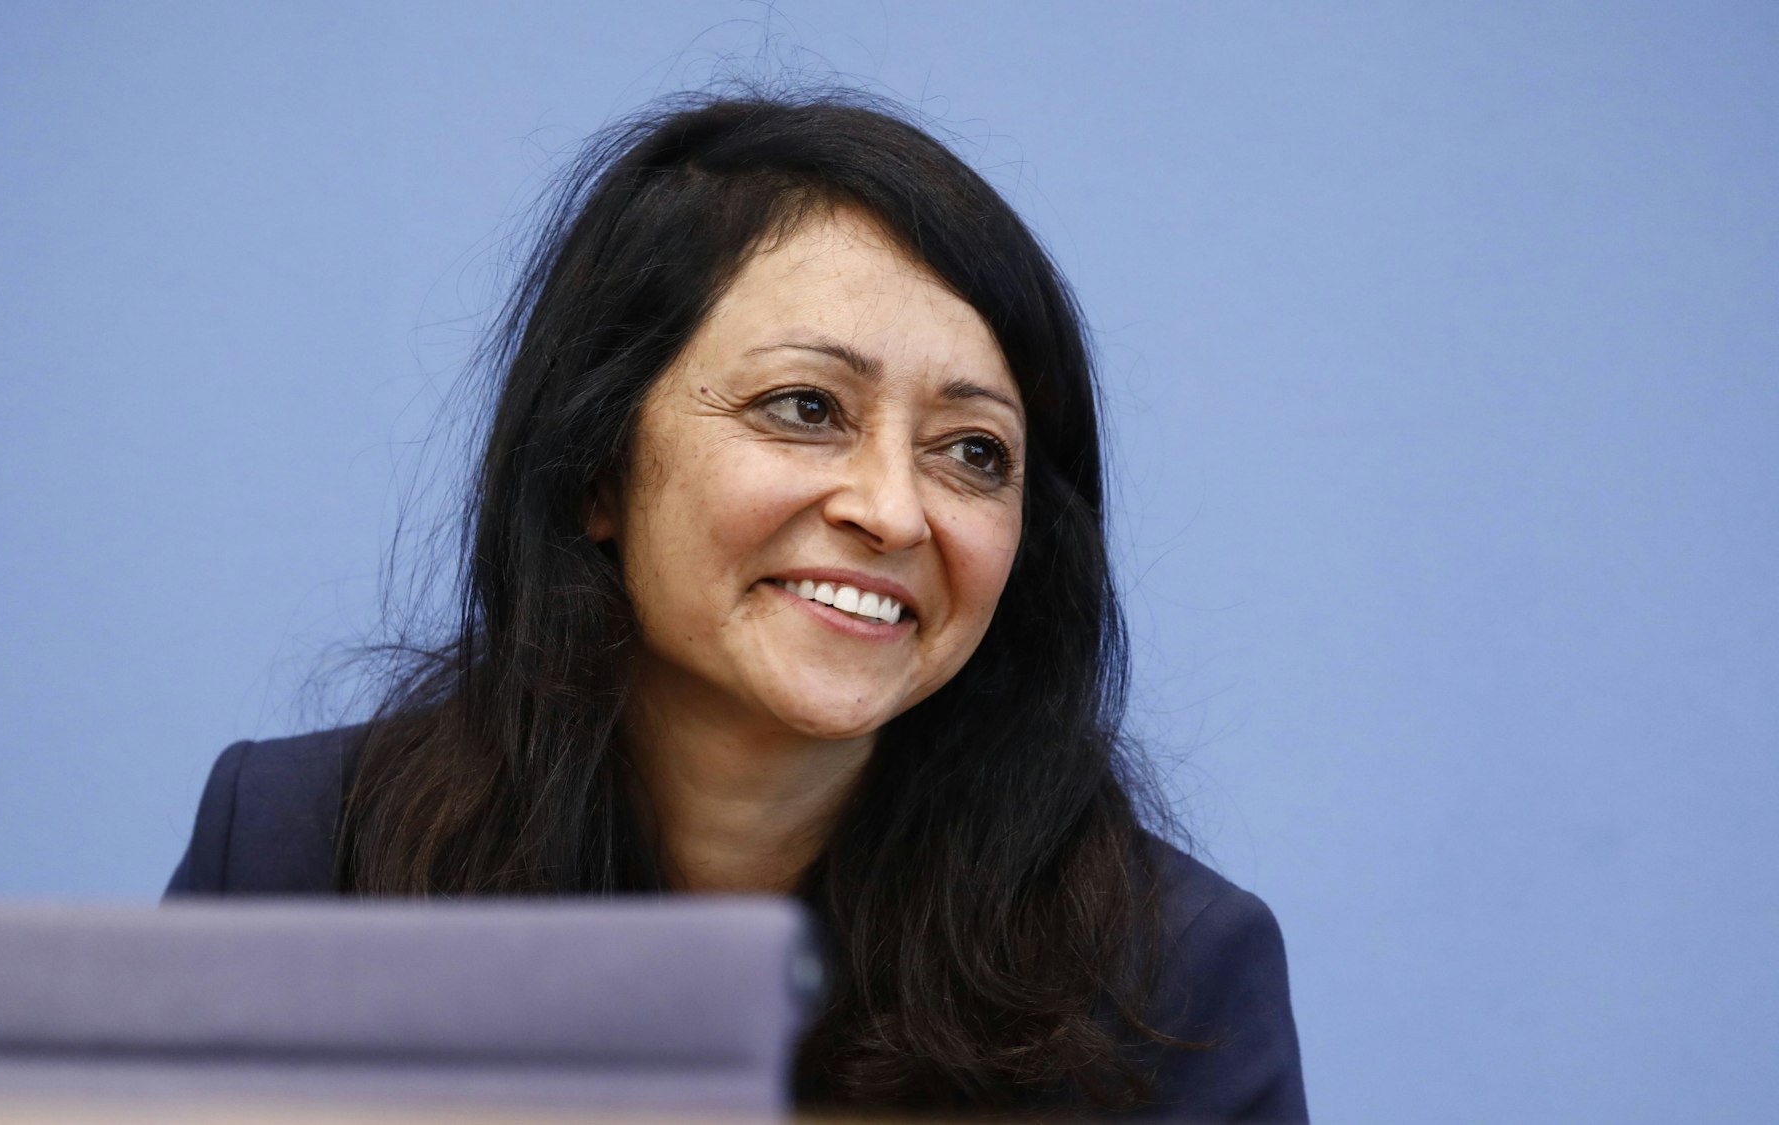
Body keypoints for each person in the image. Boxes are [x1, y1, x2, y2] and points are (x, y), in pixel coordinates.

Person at [167, 92, 1307, 1121]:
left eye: (971, 452)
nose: (893, 513)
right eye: (805, 407)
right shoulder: (296, 847)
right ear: (594, 466)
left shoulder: (1169, 977)